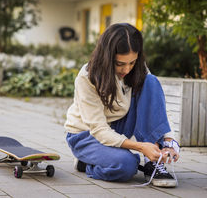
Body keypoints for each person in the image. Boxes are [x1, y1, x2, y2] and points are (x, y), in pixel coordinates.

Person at [64, 23, 180, 187]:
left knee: (151, 82)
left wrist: (169, 142)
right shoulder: (87, 77)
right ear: (107, 57)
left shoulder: (137, 69)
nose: (126, 69)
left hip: (118, 125)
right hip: (86, 135)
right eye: (119, 64)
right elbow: (99, 129)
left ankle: (152, 163)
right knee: (126, 166)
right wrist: (140, 147)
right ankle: (87, 163)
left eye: (132, 62)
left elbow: (157, 107)